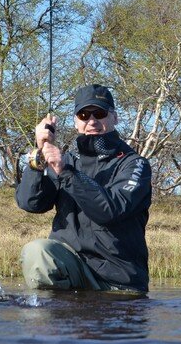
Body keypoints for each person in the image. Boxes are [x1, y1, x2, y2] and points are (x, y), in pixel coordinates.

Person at [15, 84, 152, 293]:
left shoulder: (135, 164)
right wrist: (38, 155)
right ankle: (56, 315)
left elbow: (109, 210)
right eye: (83, 115)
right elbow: (30, 203)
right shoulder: (66, 160)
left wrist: (66, 172)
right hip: (73, 266)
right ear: (75, 122)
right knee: (37, 252)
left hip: (118, 282)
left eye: (99, 113)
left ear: (114, 118)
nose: (92, 121)